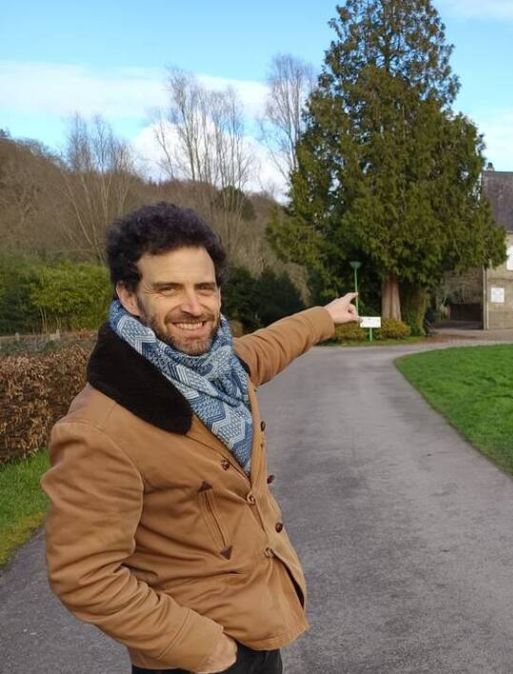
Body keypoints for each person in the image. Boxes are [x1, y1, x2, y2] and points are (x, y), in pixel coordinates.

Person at [41, 203, 360, 673]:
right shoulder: (99, 427)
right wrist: (207, 648)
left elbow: (269, 345)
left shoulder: (220, 368)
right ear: (129, 295)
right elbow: (83, 574)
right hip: (195, 656)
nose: (194, 306)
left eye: (204, 288)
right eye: (169, 288)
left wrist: (324, 317)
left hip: (258, 621)